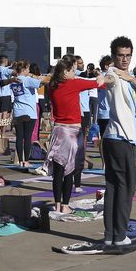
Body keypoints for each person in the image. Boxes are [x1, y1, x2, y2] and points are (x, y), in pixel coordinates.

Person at [97, 36, 136, 247]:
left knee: (114, 186)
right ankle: (118, 234)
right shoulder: (113, 74)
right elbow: (107, 80)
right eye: (120, 55)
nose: (125, 59)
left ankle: (111, 233)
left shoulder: (128, 76)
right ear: (113, 56)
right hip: (119, 138)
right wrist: (102, 79)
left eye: (128, 55)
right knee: (126, 187)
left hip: (119, 138)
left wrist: (130, 79)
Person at [40, 55, 101, 213]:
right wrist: (102, 75)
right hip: (72, 132)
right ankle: (65, 205)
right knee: (69, 170)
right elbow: (98, 83)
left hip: (58, 131)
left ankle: (57, 204)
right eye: (73, 70)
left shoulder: (52, 84)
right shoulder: (74, 83)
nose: (75, 73)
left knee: (58, 172)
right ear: (66, 71)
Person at [2, 61, 44, 166]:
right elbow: (41, 83)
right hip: (29, 111)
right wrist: (34, 76)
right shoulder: (27, 80)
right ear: (24, 69)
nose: (29, 71)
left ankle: (20, 160)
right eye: (28, 69)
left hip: (17, 110)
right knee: (28, 137)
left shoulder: (14, 80)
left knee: (19, 137)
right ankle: (26, 161)